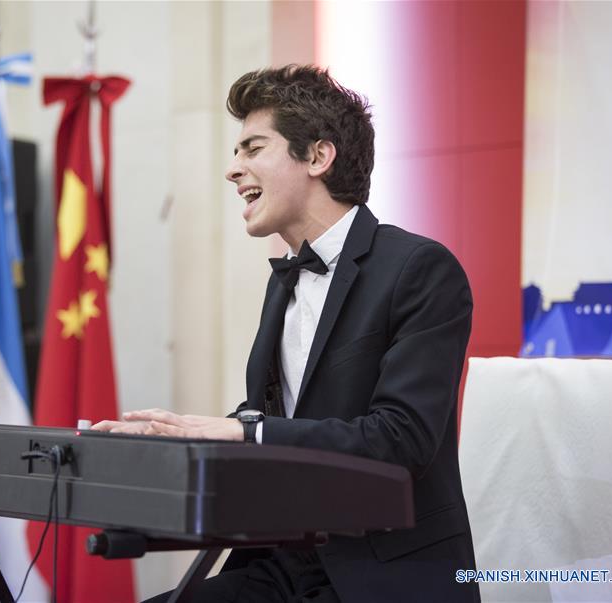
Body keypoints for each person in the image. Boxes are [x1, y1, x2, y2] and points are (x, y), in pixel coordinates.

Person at [94, 64, 480, 602]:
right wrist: (176, 439)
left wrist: (242, 432)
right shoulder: (284, 281)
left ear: (318, 157)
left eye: (252, 148)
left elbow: (401, 441)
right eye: (236, 153)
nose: (233, 169)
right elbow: (279, 424)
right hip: (283, 561)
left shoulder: (420, 269)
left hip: (381, 574)